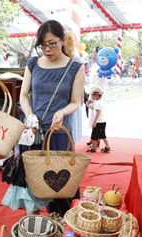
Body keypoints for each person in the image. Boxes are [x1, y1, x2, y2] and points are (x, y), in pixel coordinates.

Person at [19, 20, 85, 217]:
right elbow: (24, 95)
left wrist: (63, 112)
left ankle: (62, 225)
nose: (47, 49)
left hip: (58, 134)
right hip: (33, 133)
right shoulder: (33, 63)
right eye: (43, 45)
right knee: (33, 184)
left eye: (52, 43)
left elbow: (75, 101)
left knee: (60, 185)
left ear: (63, 41)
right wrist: (30, 115)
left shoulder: (75, 67)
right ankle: (34, 228)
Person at [86, 45, 107, 148]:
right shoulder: (94, 65)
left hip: (97, 94)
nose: (92, 54)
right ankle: (93, 137)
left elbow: (98, 85)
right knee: (92, 115)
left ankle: (96, 139)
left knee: (97, 116)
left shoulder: (101, 67)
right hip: (93, 92)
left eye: (94, 52)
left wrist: (91, 97)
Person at [86, 86, 110, 153]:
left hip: (98, 122)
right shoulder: (100, 101)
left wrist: (94, 122)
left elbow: (97, 113)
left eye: (91, 95)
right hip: (103, 121)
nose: (91, 96)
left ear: (96, 95)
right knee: (102, 135)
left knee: (94, 136)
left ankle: (93, 148)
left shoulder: (98, 103)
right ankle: (107, 146)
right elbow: (94, 107)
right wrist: (88, 105)